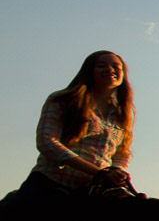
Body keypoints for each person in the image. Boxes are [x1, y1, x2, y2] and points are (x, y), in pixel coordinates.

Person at [16, 50, 136, 202]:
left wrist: (117, 170)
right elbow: (47, 141)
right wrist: (98, 172)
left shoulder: (122, 114)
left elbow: (122, 153)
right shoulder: (63, 100)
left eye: (116, 66)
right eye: (101, 65)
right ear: (89, 71)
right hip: (52, 183)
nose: (110, 70)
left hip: (92, 189)